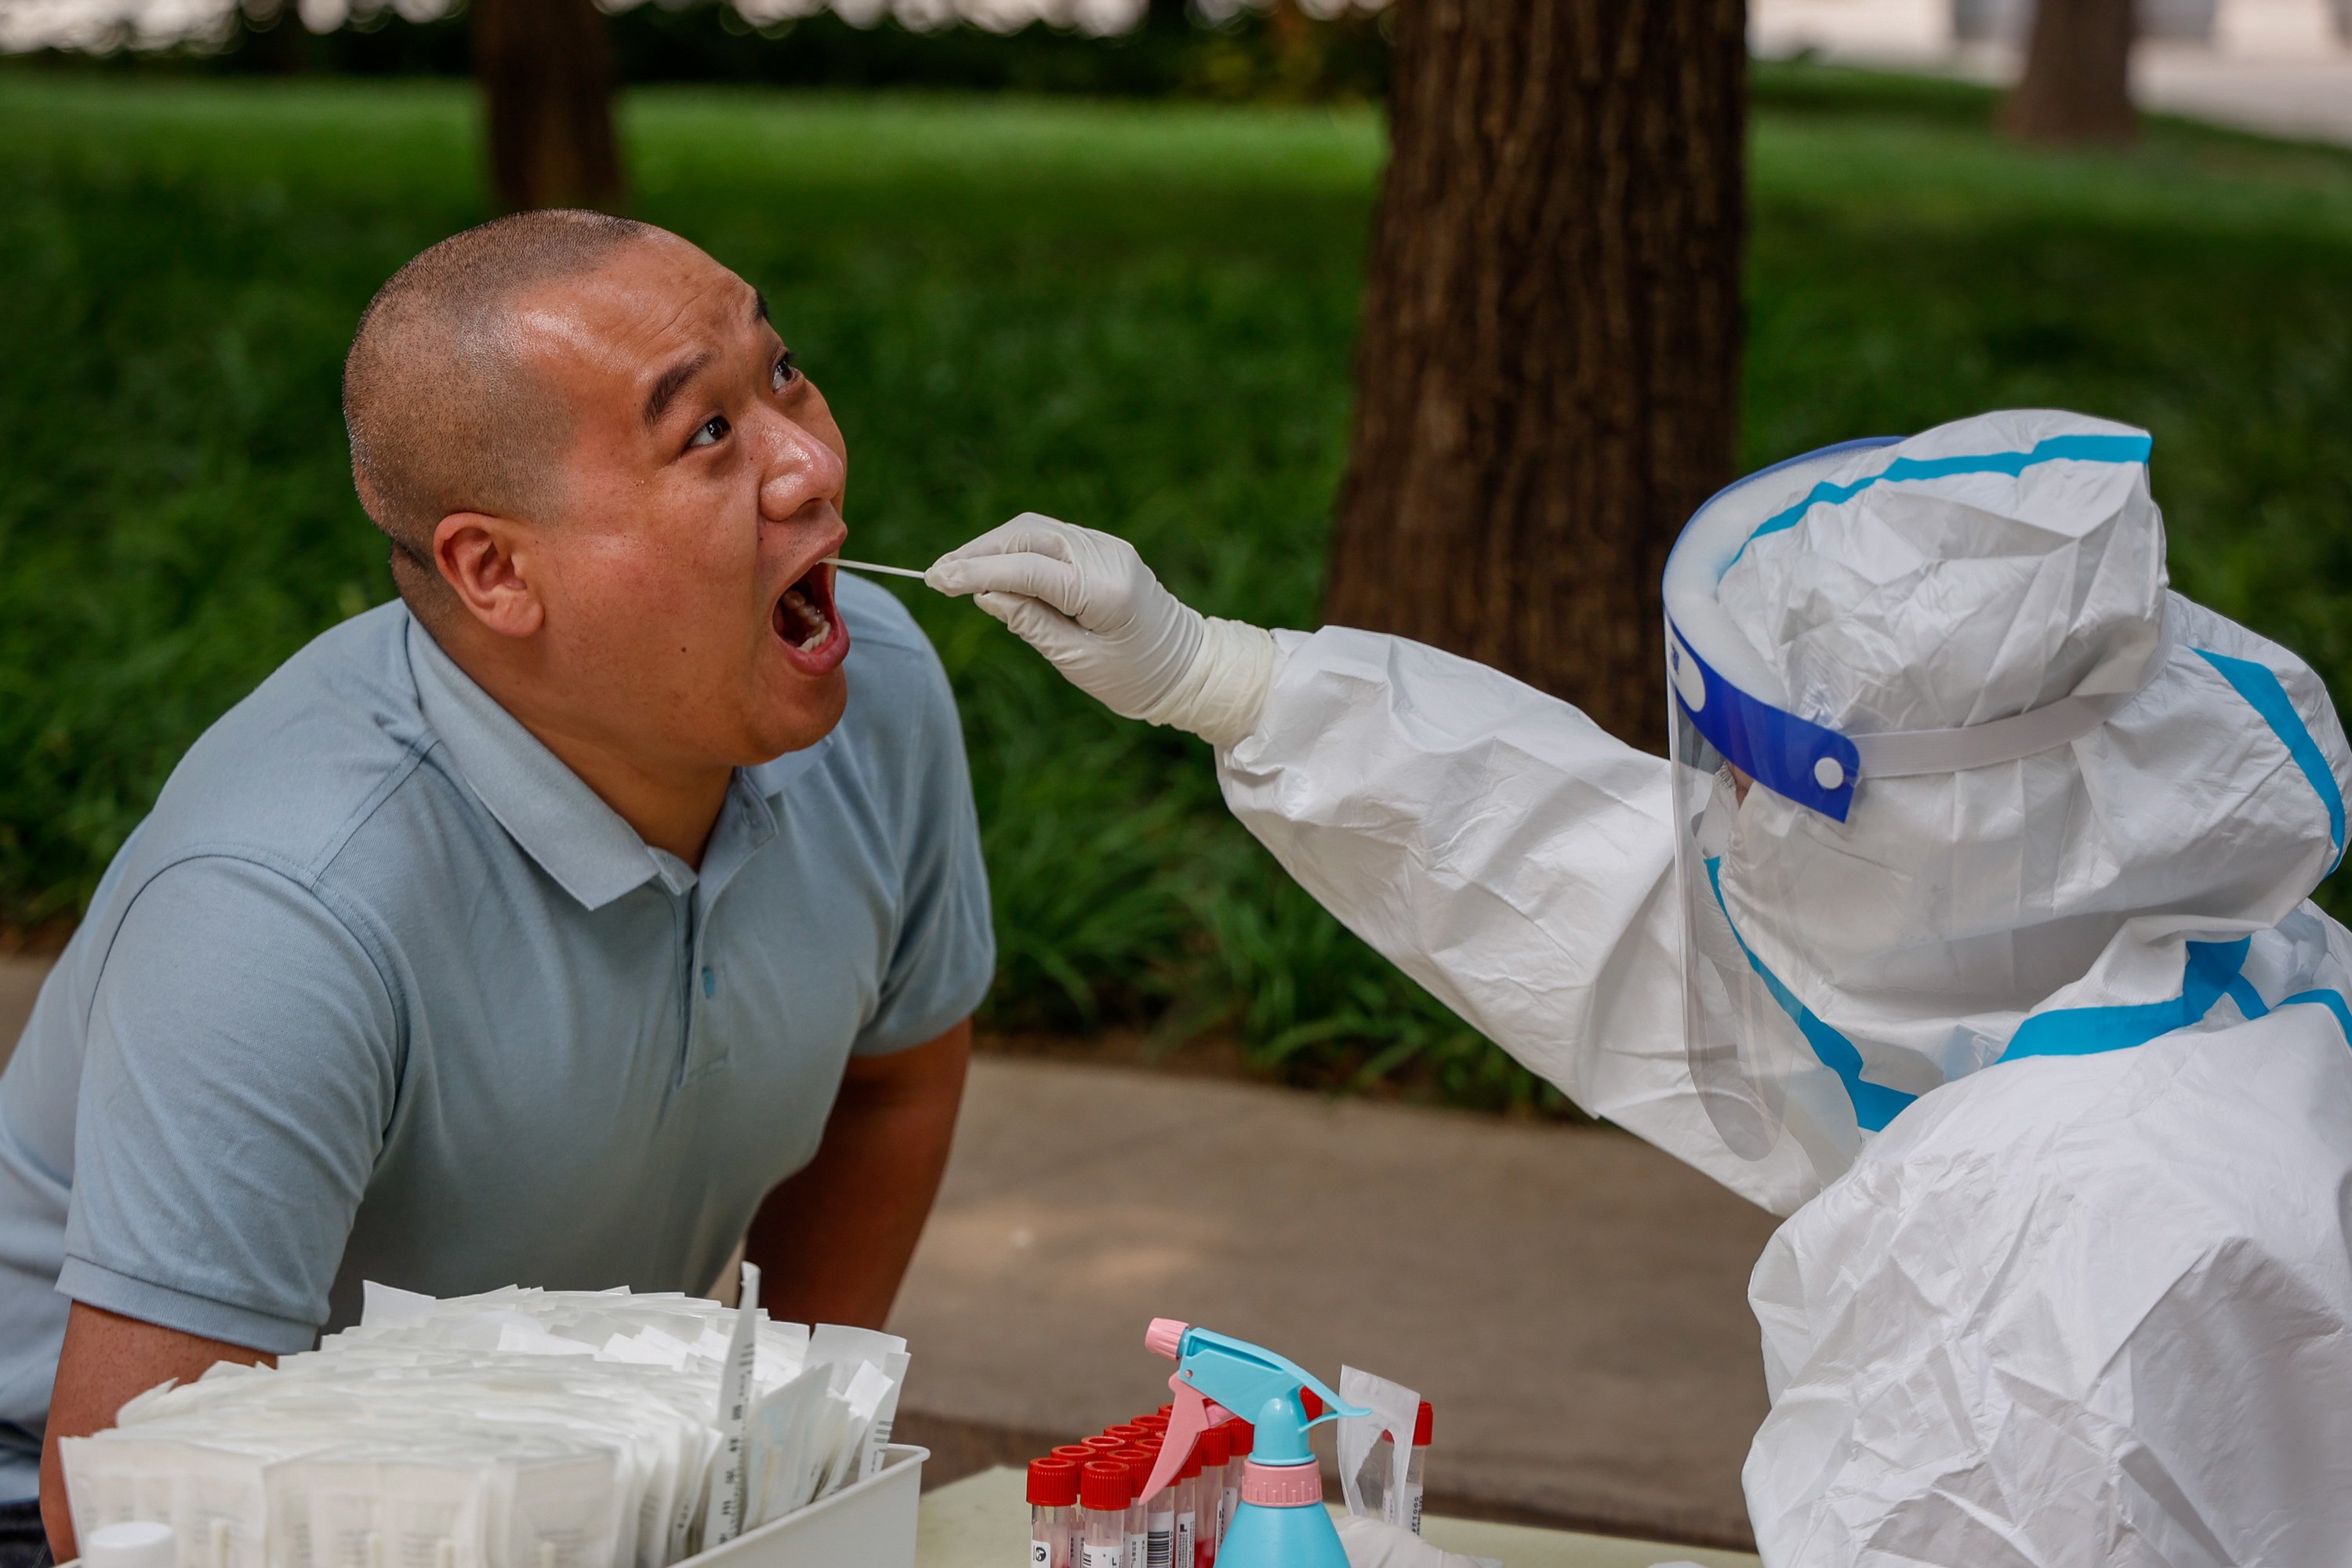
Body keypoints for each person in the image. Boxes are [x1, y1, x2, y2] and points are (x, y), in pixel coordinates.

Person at [927, 408, 2352, 1563]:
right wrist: (1224, 679)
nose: (1720, 807)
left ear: (1922, 838)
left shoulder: (2032, 1248)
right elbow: (1622, 895)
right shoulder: (2197, 962)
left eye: (1757, 778)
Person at [0, 211, 993, 1566]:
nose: (811, 463)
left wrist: (767, 1487)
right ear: (494, 571)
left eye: (780, 374)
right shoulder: (284, 907)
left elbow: (899, 1080)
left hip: (531, 1500)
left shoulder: (867, 693)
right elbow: (135, 1514)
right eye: (704, 435)